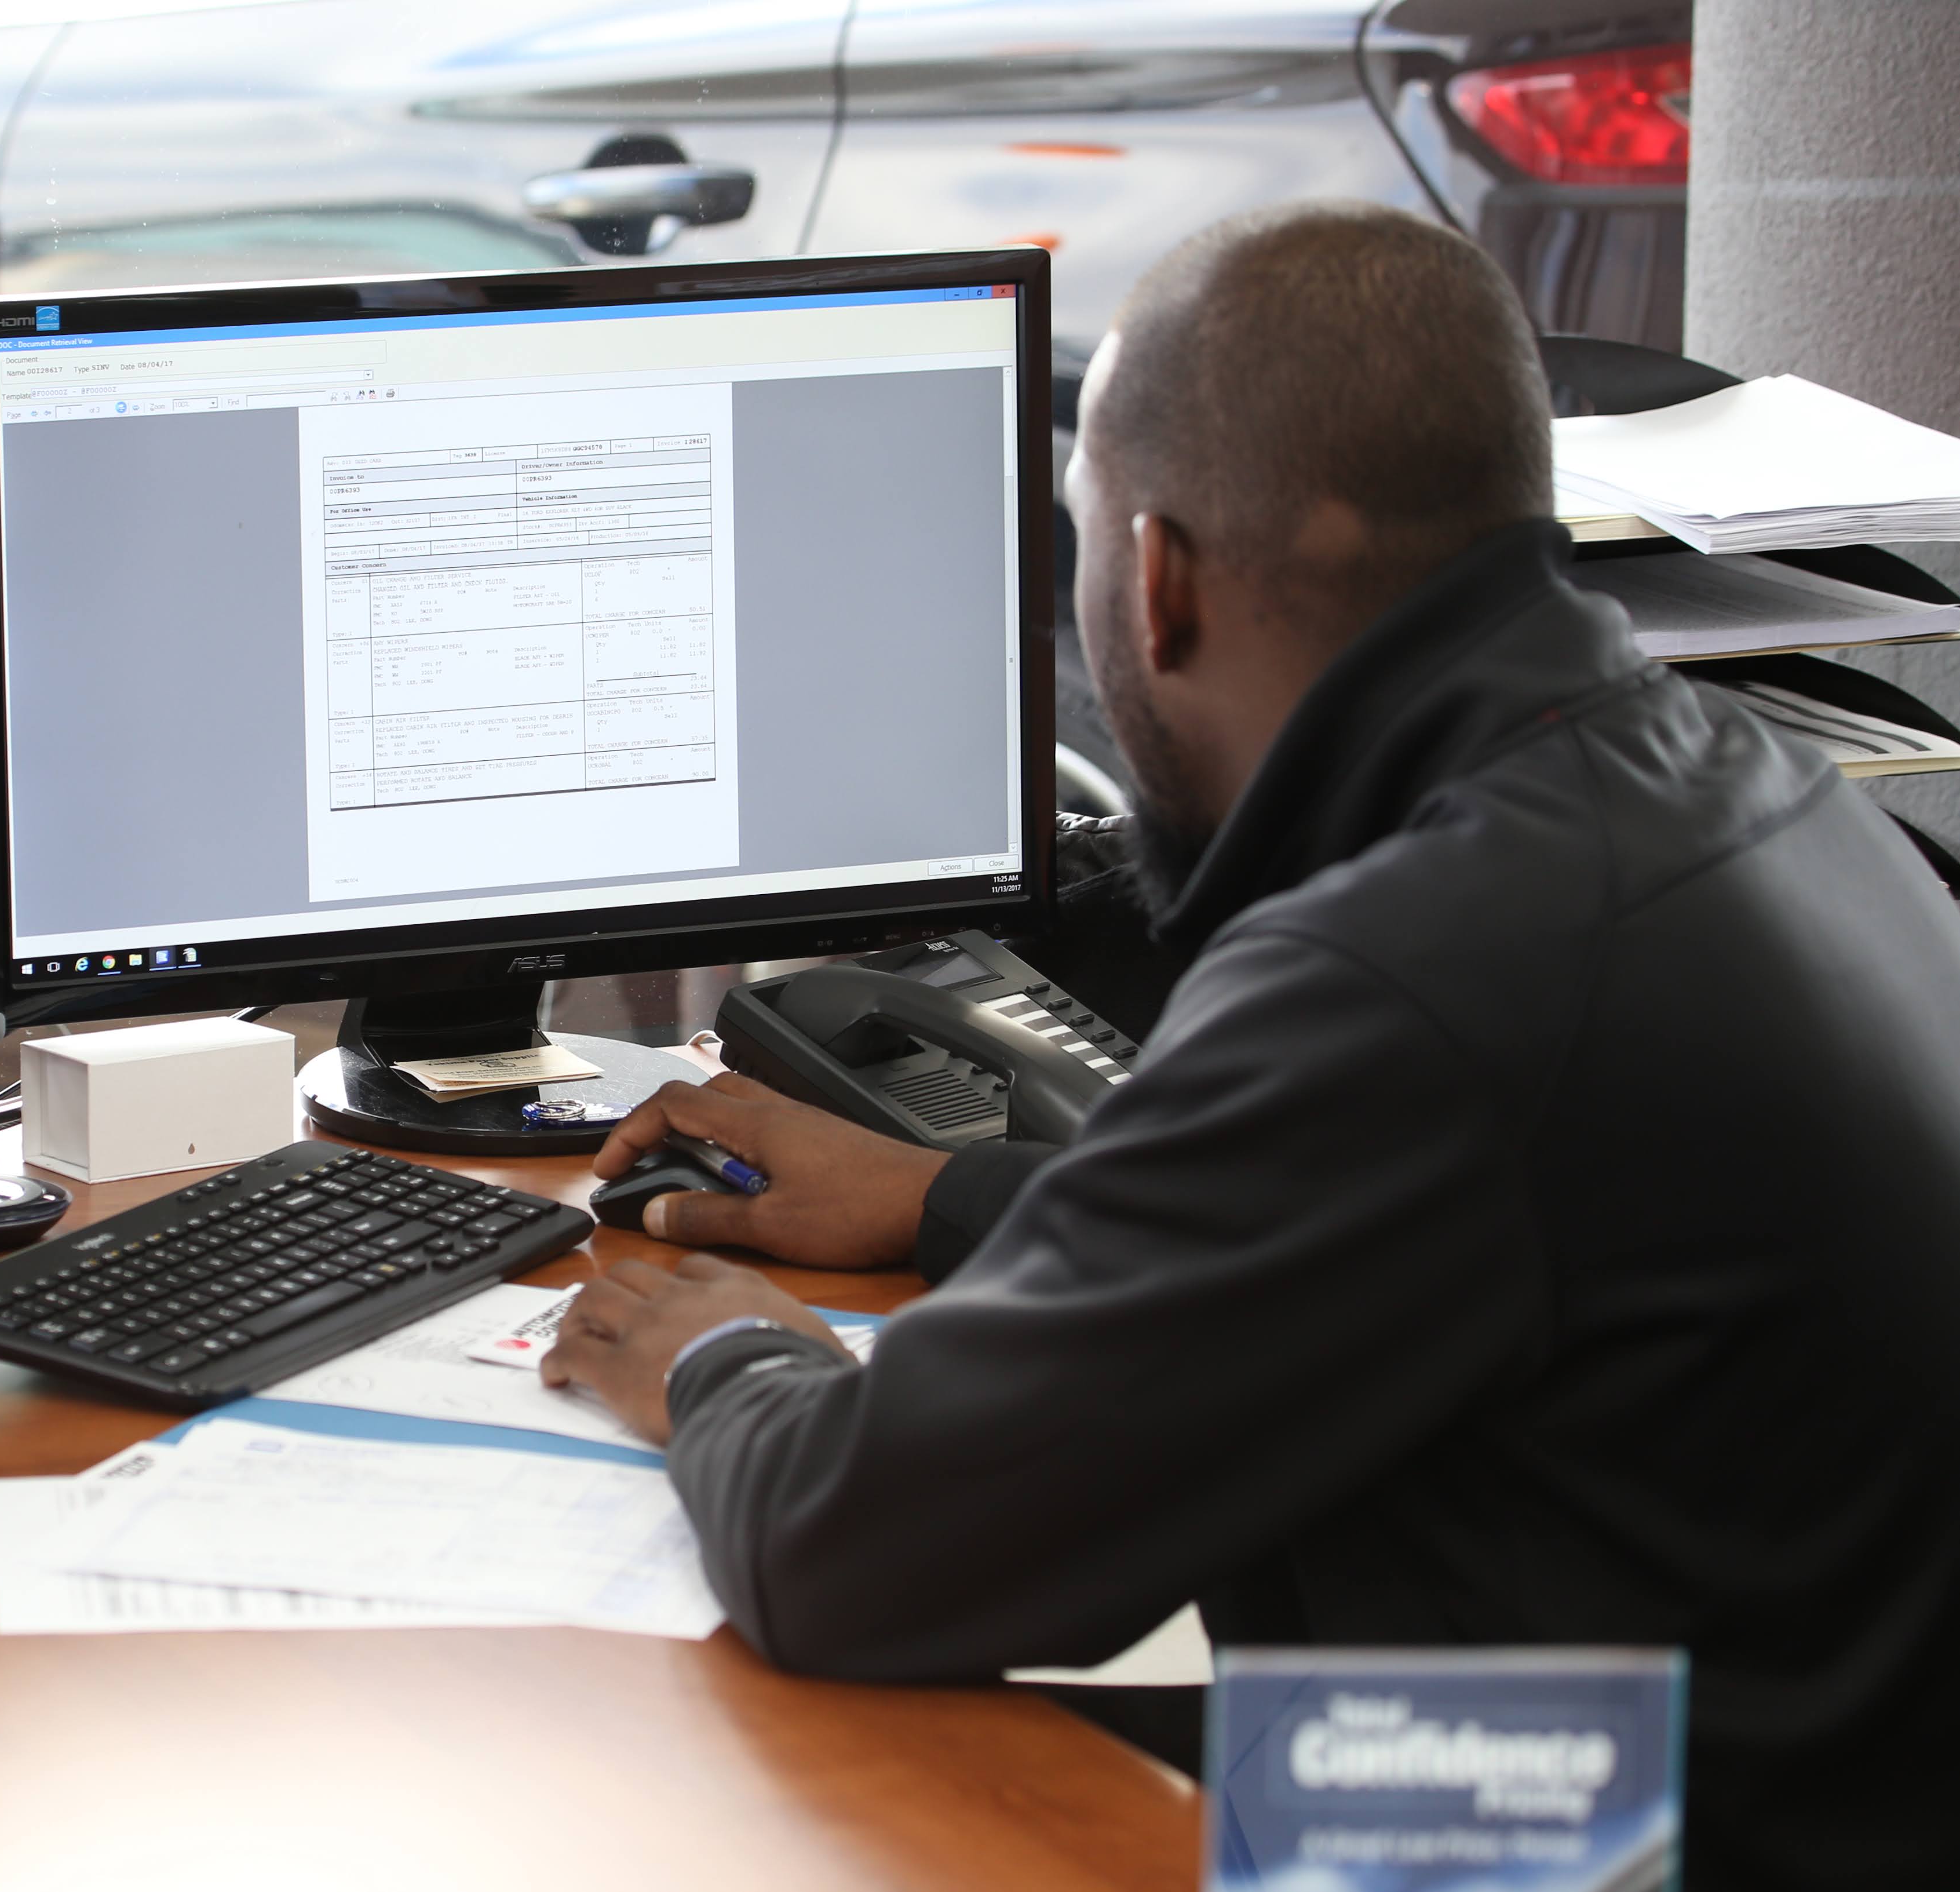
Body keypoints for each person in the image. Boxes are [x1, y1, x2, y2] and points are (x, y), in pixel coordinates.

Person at [541, 202, 1960, 1886]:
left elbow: (846, 1545)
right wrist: (944, 1195)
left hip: (1591, 1835)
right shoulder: (1726, 788)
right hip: (1759, 1777)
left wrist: (719, 1358)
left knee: (717, 1785)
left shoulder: (1426, 967)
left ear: (1154, 577)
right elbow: (1388, 1237)